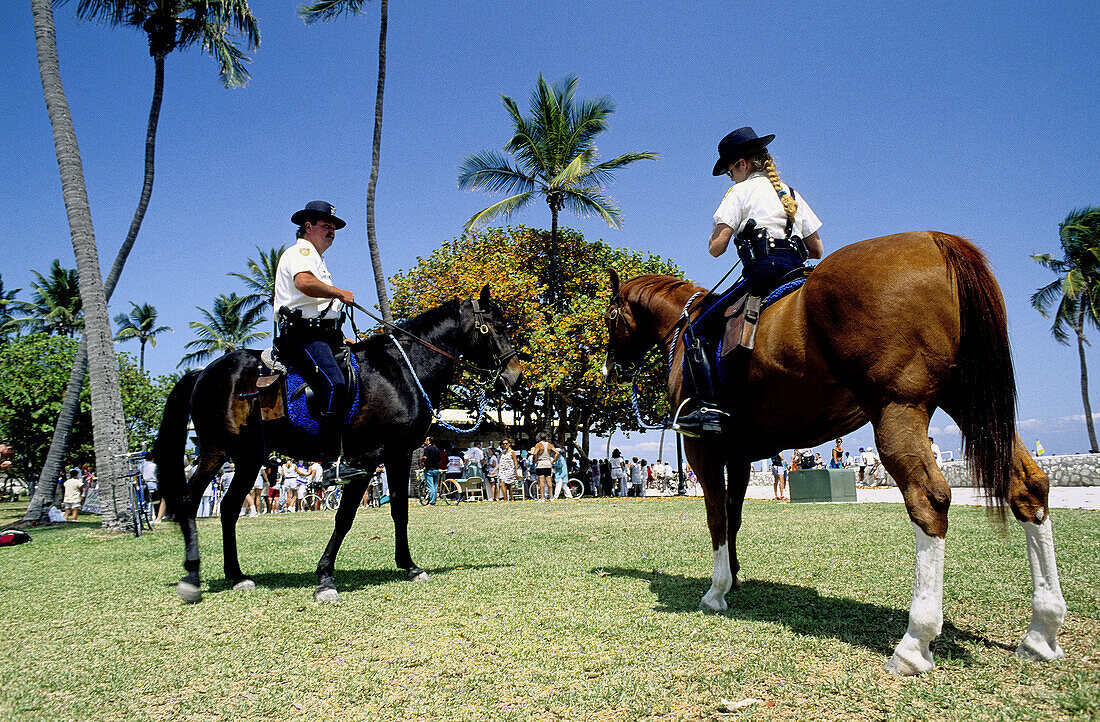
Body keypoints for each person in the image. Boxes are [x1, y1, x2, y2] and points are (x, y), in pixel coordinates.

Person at [674, 127, 823, 438]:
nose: (731, 178)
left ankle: (709, 409)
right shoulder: (790, 193)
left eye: (730, 171)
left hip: (763, 274)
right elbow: (817, 249)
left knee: (697, 328)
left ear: (741, 164)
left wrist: (716, 234)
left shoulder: (739, 193)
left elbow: (717, 248)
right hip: (797, 272)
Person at [274, 200, 367, 478]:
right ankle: (329, 464)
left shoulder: (316, 258)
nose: (332, 231)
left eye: (334, 227)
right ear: (308, 226)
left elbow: (317, 309)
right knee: (334, 383)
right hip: (302, 334)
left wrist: (341, 339)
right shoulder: (301, 251)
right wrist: (338, 292)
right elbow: (303, 283)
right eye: (326, 225)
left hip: (323, 335)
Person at [421, 438, 442, 505]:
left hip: (429, 469)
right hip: (436, 469)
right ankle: (434, 499)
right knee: (435, 486)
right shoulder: (437, 449)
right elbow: (440, 459)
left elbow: (425, 458)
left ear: (429, 441)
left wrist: (422, 461)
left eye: (426, 440)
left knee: (430, 487)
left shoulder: (427, 449)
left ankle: (432, 502)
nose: (425, 441)